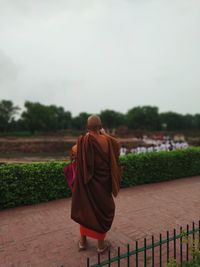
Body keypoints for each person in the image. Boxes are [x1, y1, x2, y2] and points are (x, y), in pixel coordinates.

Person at [71, 115, 122, 253]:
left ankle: (82, 242)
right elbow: (117, 146)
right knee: (102, 211)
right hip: (102, 185)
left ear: (87, 127)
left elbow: (73, 152)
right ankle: (100, 246)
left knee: (85, 210)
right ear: (100, 127)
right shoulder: (106, 140)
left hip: (86, 186)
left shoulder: (83, 141)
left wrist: (86, 138)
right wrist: (104, 134)